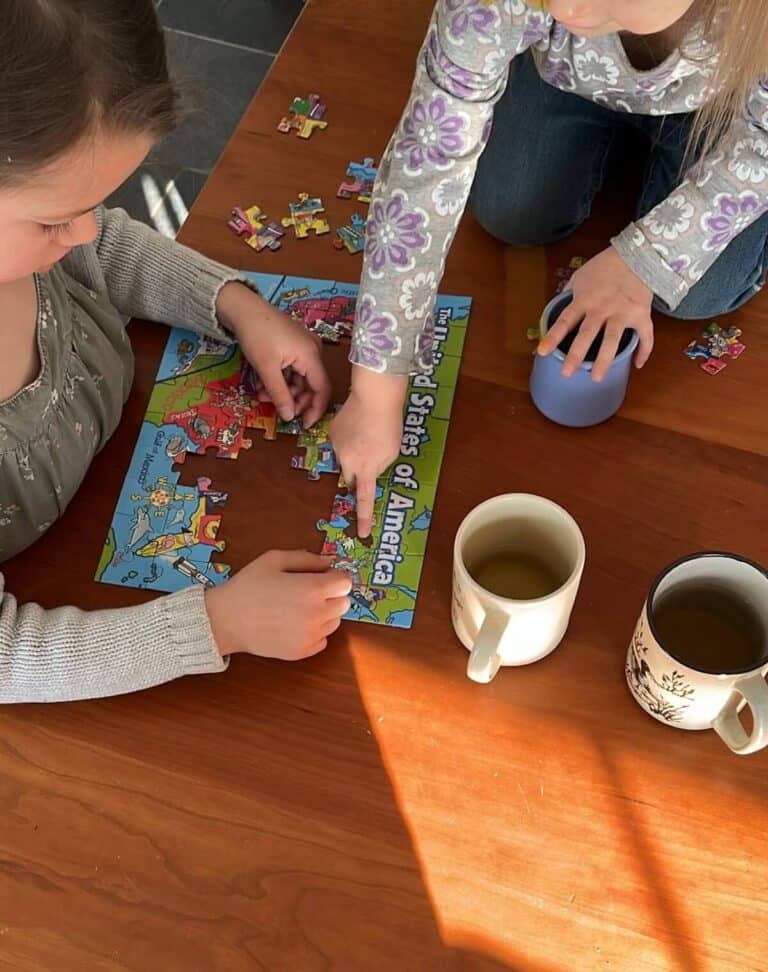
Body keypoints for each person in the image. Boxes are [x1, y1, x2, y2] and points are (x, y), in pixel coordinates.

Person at [0, 0, 351, 703]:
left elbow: (110, 250)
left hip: (109, 494)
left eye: (97, 200)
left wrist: (235, 307)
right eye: (55, 218)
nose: (86, 228)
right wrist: (216, 625)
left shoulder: (49, 239)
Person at [331, 0, 768, 535]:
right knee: (511, 211)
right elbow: (426, 170)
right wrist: (376, 391)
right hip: (570, 78)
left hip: (726, 111)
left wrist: (643, 264)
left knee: (704, 293)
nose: (568, 4)